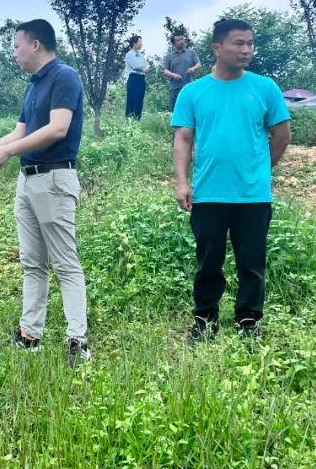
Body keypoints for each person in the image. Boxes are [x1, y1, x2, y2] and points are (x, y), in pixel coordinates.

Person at [0, 19, 91, 367]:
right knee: (31, 261)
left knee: (65, 262)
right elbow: (20, 131)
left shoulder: (65, 76)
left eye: (16, 45)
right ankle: (30, 333)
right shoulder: (33, 84)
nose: (13, 52)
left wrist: (8, 153)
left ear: (35, 44)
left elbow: (58, 128)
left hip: (54, 179)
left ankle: (78, 340)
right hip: (28, 181)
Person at [171, 18, 291, 345]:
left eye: (250, 43)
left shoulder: (265, 88)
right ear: (217, 48)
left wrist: (261, 170)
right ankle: (204, 319)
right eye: (239, 43)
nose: (247, 50)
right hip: (209, 193)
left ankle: (248, 320)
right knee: (208, 261)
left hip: (253, 195)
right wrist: (182, 183)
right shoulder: (193, 92)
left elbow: (281, 135)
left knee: (252, 263)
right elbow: (183, 139)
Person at [162, 33, 202, 112]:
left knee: (190, 109)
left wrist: (193, 69)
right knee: (175, 111)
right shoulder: (169, 56)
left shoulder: (191, 53)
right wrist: (173, 75)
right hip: (174, 87)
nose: (181, 41)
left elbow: (199, 64)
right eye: (178, 40)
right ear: (173, 43)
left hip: (189, 86)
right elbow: (165, 71)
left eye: (182, 39)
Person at [124, 35, 148, 119]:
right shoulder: (129, 54)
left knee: (139, 100)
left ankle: (137, 119)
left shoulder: (141, 55)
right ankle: (129, 120)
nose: (141, 44)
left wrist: (143, 68)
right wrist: (143, 68)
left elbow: (147, 66)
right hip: (133, 78)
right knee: (132, 100)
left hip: (141, 79)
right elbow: (137, 66)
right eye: (140, 42)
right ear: (134, 43)